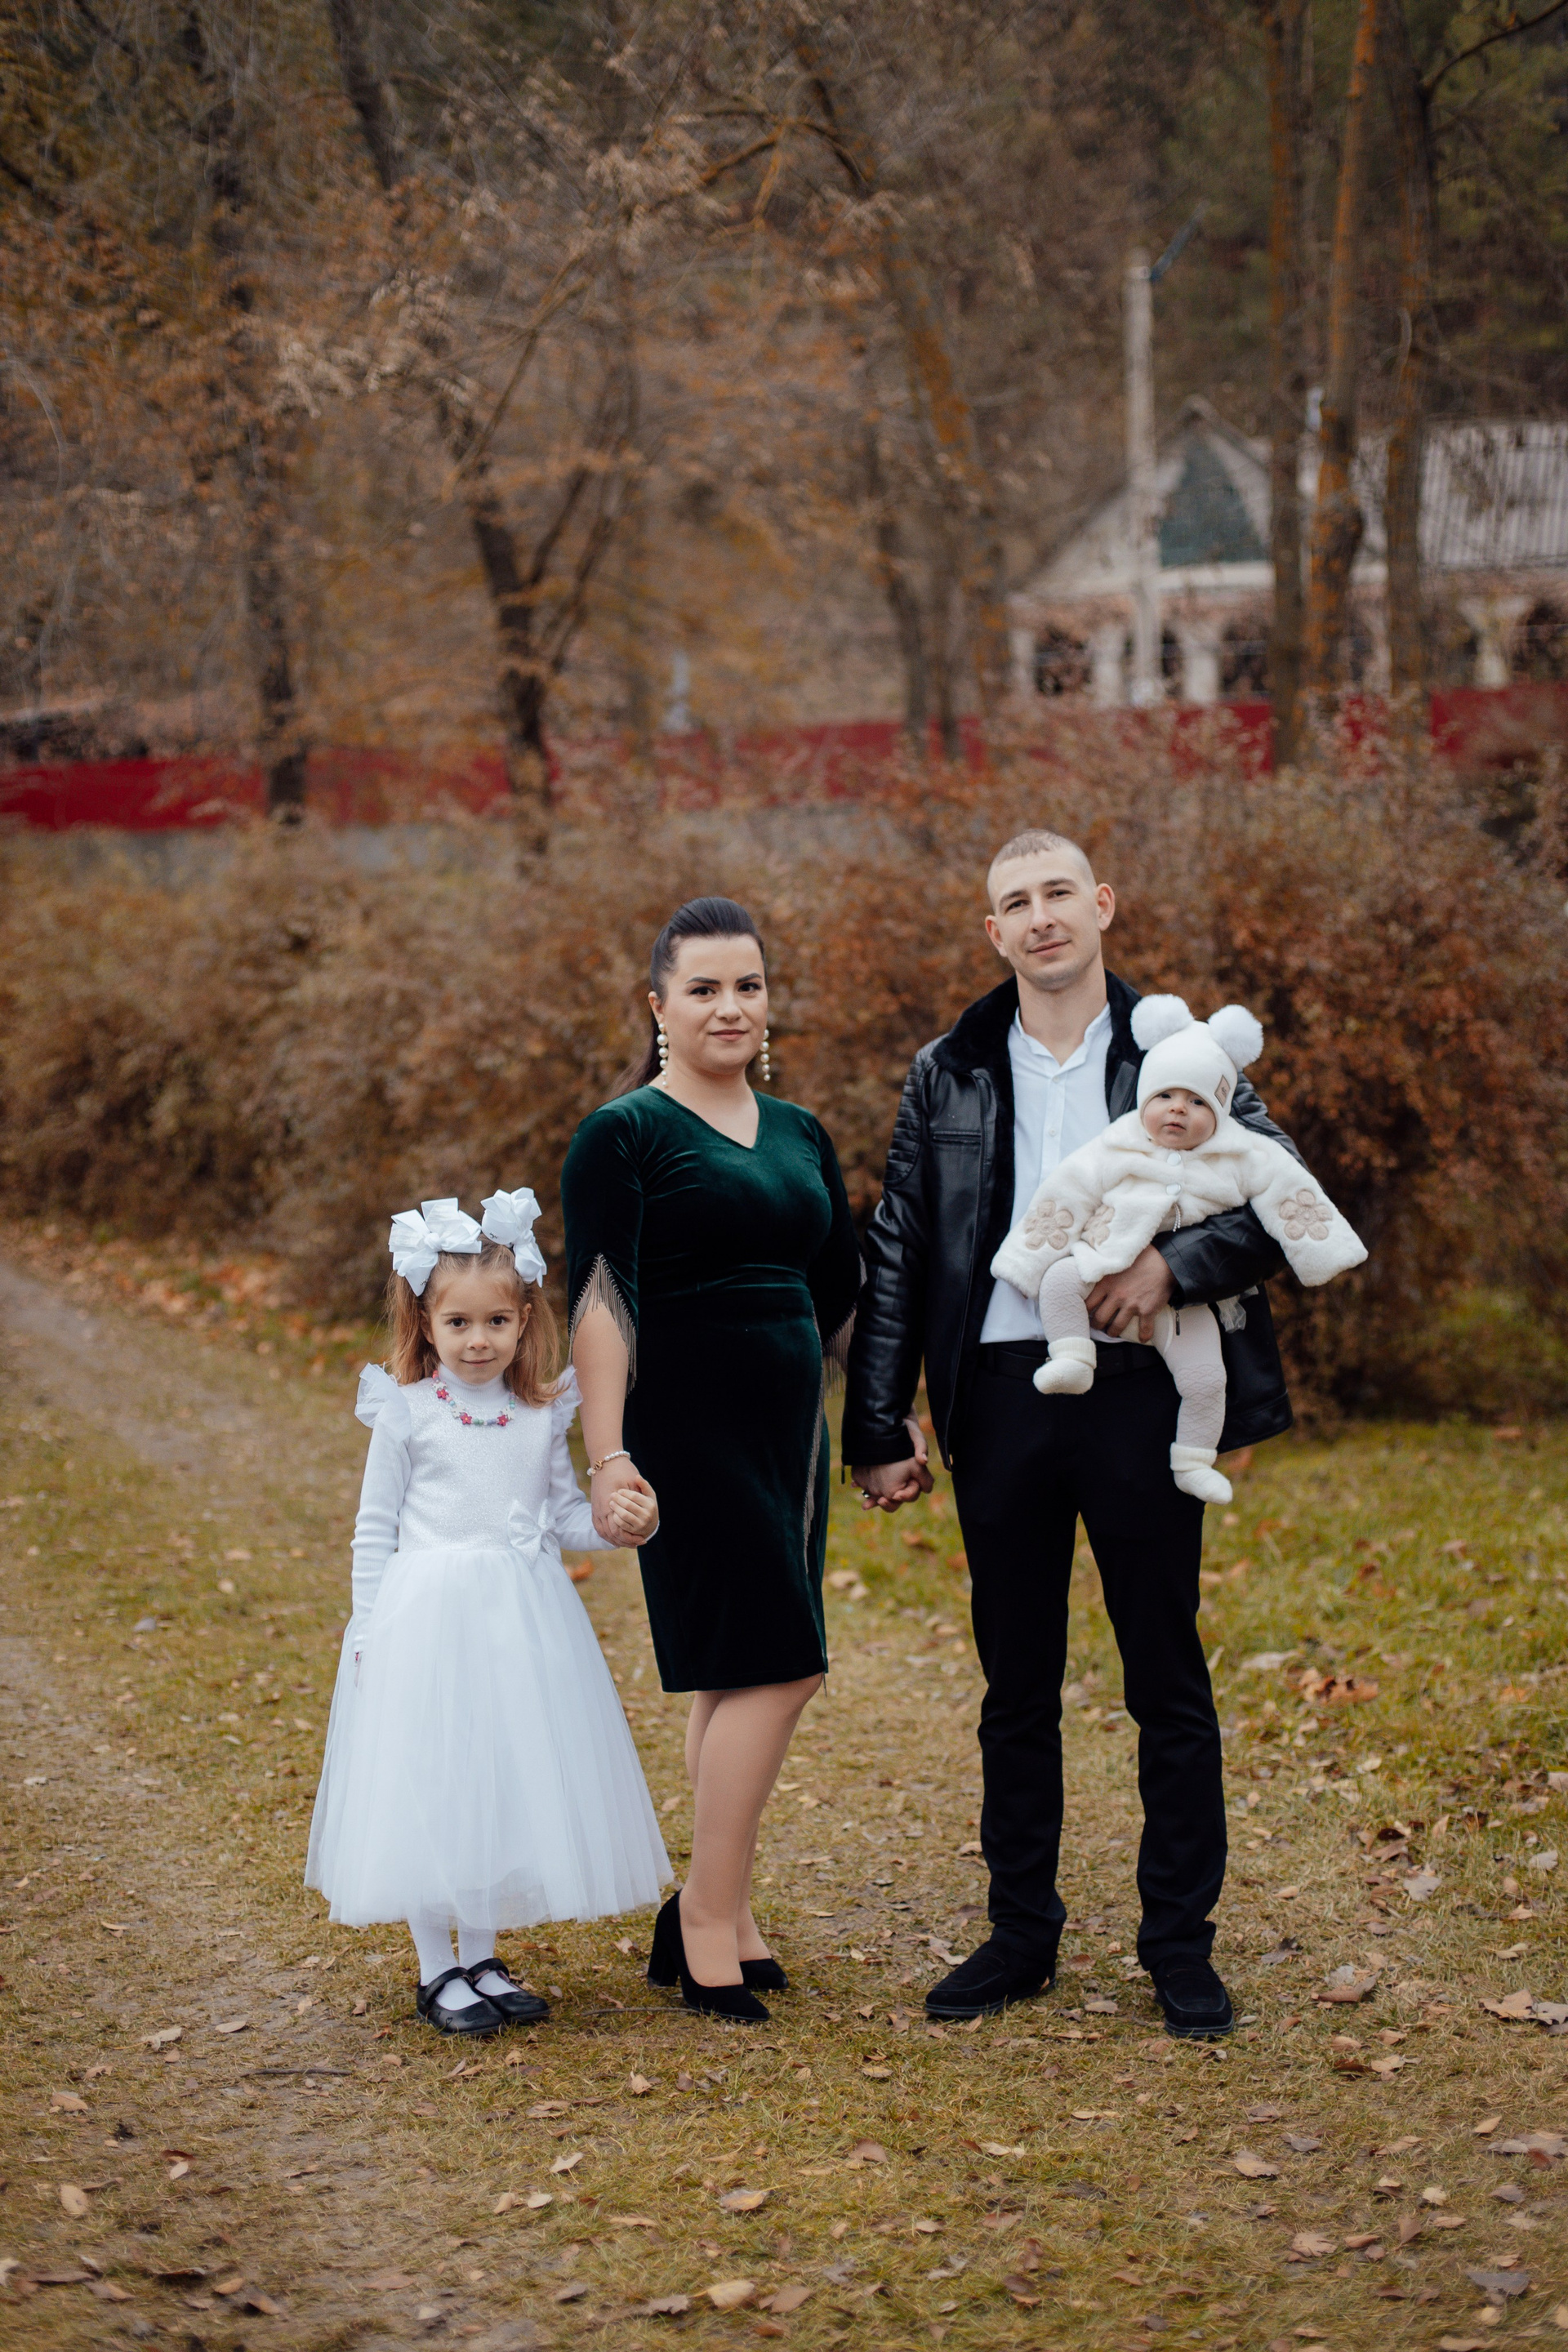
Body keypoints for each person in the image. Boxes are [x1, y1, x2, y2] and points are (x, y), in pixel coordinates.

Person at [842, 830, 1301, 2038]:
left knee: (1165, 1673)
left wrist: (1173, 1267)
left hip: (1143, 1391)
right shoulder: (948, 1069)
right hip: (1000, 1393)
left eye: (1059, 893)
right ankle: (1020, 1935)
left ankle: (1179, 1947)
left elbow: (1283, 1191)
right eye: (1017, 902)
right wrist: (878, 1417)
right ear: (993, 931)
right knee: (1016, 1683)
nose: (1041, 916)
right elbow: (901, 1243)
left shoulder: (1176, 1052)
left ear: (1100, 904)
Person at [562, 898, 862, 2025]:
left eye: (748, 985)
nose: (729, 1007)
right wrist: (609, 1455)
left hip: (790, 1430)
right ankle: (704, 1918)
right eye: (703, 989)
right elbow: (600, 1297)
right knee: (787, 1664)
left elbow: (839, 1290)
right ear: (659, 1005)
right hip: (685, 1423)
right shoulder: (622, 1134)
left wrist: (886, 1421)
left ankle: (720, 1912)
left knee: (741, 1667)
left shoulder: (800, 1133)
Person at [305, 1186, 668, 2038]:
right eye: (459, 1323)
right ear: (426, 1323)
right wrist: (368, 1629)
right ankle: (437, 1966)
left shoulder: (539, 1414)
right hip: (430, 1622)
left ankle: (483, 1955)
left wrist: (622, 1524)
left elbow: (561, 1519)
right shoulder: (406, 1414)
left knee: (499, 1776)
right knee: (436, 1780)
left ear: (524, 1320)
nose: (479, 1340)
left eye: (497, 1322)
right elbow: (374, 1530)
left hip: (521, 1622)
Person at [993, 993, 1365, 1503]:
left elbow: (1291, 1192)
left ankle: (1193, 1459)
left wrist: (1324, 1253)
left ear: (1220, 1112)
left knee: (1207, 1379)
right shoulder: (1118, 1143)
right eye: (1166, 1095)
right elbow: (1065, 1193)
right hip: (1102, 1262)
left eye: (1197, 1102)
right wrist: (1026, 1259)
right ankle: (1073, 1356)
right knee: (1058, 1279)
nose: (1178, 1109)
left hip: (1185, 1306)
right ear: (1145, 1100)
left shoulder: (1241, 1151)